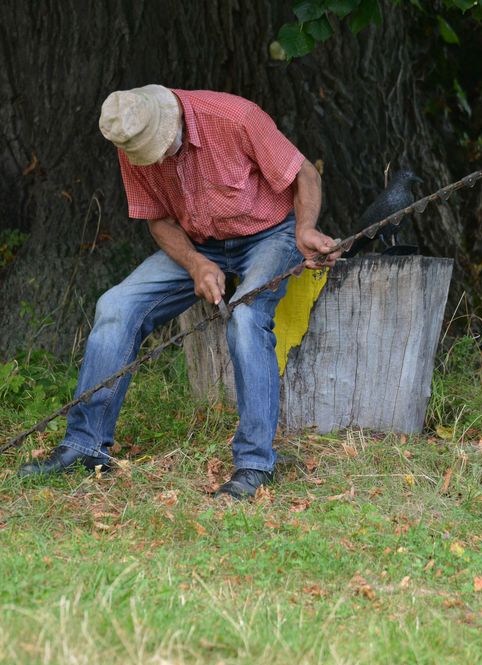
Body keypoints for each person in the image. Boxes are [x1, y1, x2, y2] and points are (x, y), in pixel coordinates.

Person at [19, 85, 340, 499]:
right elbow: (159, 221)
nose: (154, 158)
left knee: (245, 317)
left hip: (268, 235)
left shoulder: (235, 118)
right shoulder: (131, 138)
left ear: (171, 118)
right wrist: (197, 264)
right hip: (198, 242)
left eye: (159, 147)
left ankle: (255, 464)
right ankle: (85, 446)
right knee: (114, 305)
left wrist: (304, 230)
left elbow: (305, 175)